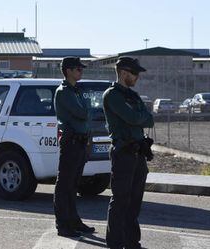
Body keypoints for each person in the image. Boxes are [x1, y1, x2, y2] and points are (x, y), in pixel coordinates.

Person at [103, 57, 154, 249]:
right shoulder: (112, 95)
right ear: (124, 73)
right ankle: (115, 243)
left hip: (138, 154)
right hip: (123, 153)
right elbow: (133, 117)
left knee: (134, 202)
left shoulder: (134, 96)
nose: (137, 77)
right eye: (135, 73)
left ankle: (132, 242)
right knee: (120, 201)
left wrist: (139, 118)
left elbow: (149, 119)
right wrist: (139, 117)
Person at [53, 56, 95, 237]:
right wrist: (87, 111)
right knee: (65, 185)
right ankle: (63, 225)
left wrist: (87, 112)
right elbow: (82, 112)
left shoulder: (76, 90)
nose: (81, 71)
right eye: (78, 69)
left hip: (80, 142)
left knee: (73, 186)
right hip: (70, 142)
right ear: (68, 70)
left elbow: (87, 113)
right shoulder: (64, 92)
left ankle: (74, 221)